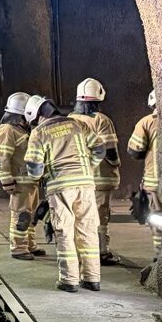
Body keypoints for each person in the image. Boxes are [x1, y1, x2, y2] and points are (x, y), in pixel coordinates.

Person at [25, 96, 105, 293]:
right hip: (86, 185)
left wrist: (40, 176)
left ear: (37, 116)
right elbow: (100, 149)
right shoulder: (77, 124)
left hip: (60, 187)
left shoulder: (39, 132)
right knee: (88, 229)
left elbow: (34, 167)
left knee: (65, 231)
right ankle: (92, 278)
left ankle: (69, 280)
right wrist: (88, 168)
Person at [68, 78, 121, 265]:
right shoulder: (102, 120)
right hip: (100, 177)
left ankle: (79, 251)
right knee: (100, 216)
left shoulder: (70, 120)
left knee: (79, 215)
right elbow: (110, 149)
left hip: (76, 178)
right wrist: (116, 163)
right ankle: (100, 252)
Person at [0, 92, 46, 260]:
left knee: (31, 214)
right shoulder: (7, 130)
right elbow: (1, 157)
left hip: (30, 182)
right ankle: (18, 248)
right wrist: (6, 181)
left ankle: (29, 244)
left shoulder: (22, 129)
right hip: (19, 182)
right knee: (21, 215)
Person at [128, 89, 160, 264]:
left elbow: (135, 151)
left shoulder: (147, 122)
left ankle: (160, 255)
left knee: (158, 218)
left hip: (155, 182)